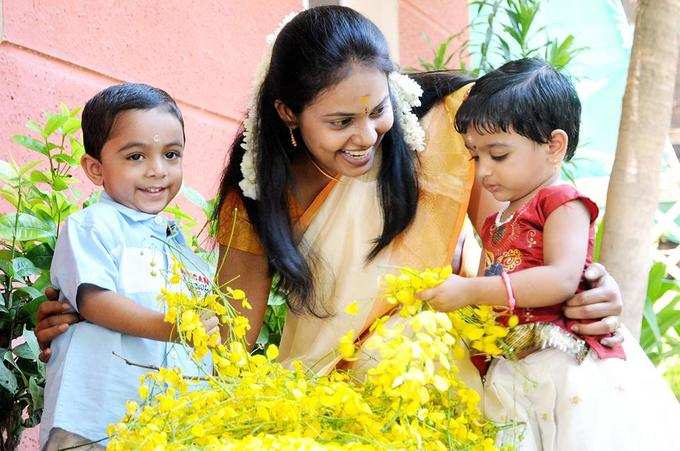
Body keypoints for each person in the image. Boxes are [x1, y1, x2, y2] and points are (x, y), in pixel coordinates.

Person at [35, 5, 622, 396]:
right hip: (319, 397)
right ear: (289, 114)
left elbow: (520, 241)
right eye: (340, 121)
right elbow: (227, 335)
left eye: (377, 109)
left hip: (437, 379)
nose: (367, 136)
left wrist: (592, 285)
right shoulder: (258, 195)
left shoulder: (451, 131)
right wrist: (95, 318)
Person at [419, 58, 680, 450]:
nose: (485, 171)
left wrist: (469, 291)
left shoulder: (561, 203)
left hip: (565, 364)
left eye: (498, 155)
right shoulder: (498, 220)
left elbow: (560, 279)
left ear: (554, 145)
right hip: (518, 362)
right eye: (476, 157)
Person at [39, 84, 218, 450]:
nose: (157, 170)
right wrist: (175, 328)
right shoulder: (92, 225)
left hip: (165, 425)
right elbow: (94, 301)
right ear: (95, 168)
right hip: (93, 417)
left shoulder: (177, 241)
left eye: (171, 154)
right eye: (136, 157)